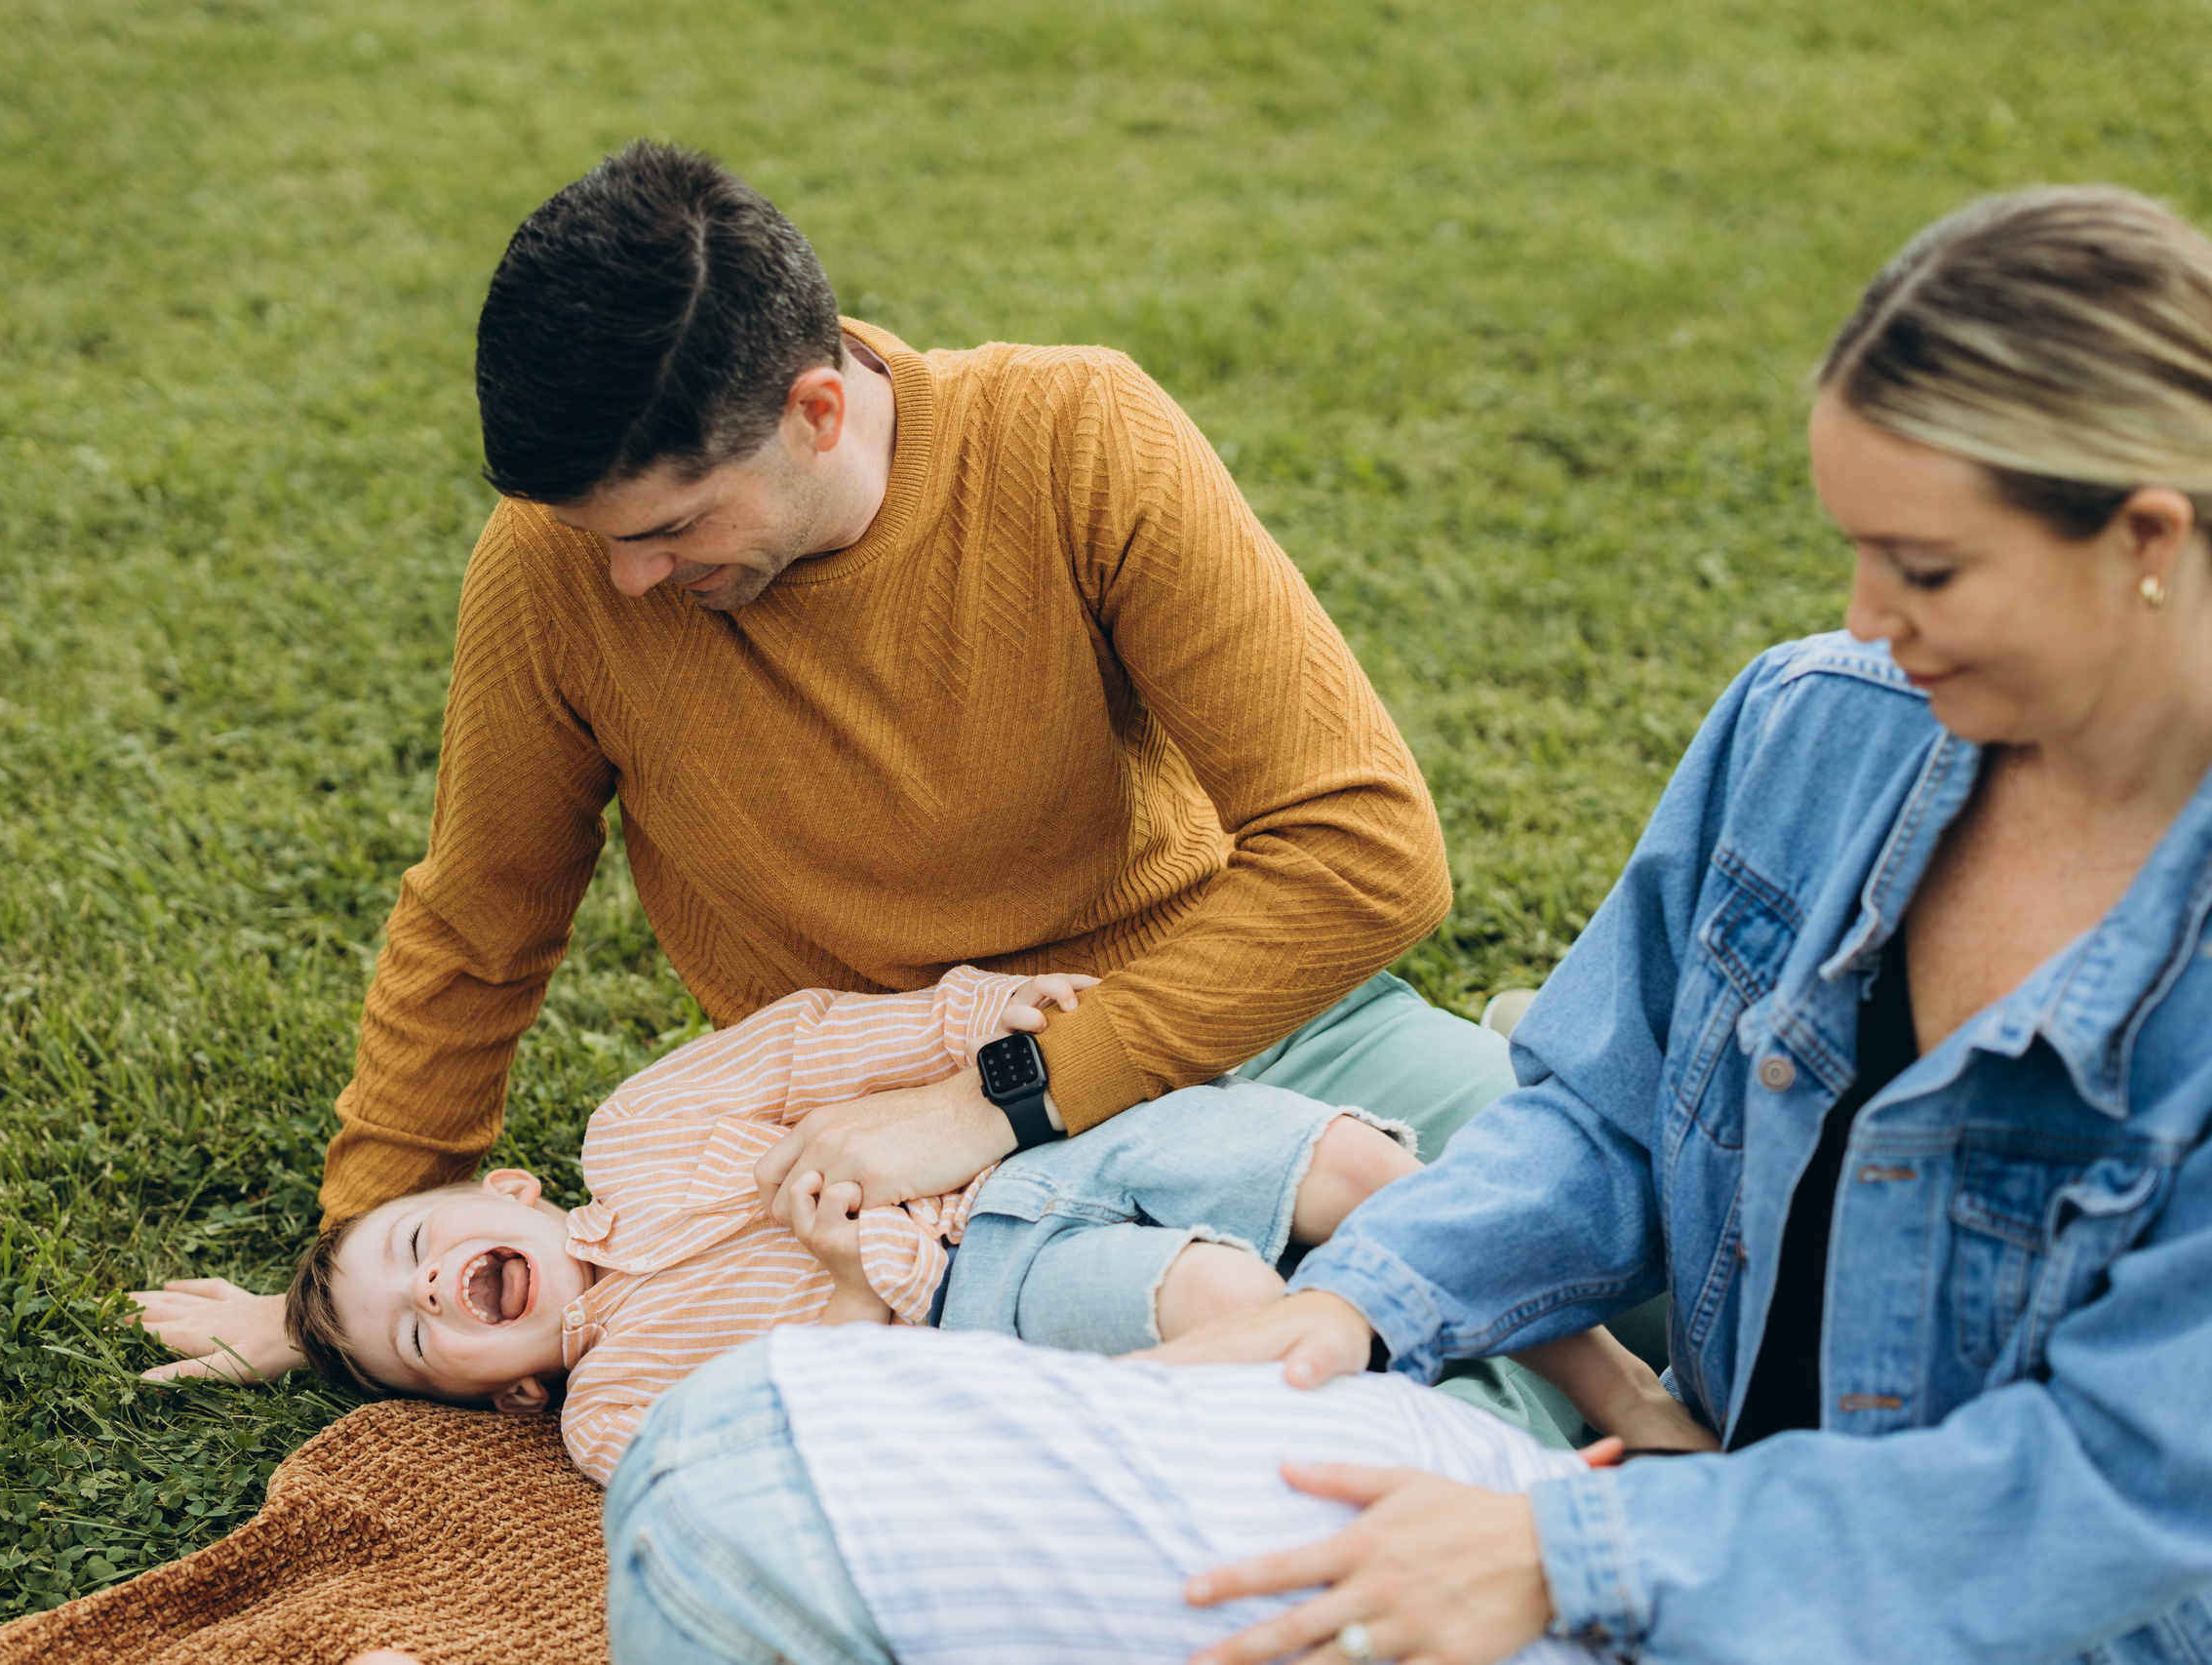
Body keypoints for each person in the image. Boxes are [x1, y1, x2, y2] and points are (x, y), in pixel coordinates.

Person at [605, 184, 2212, 1665]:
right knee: (721, 1462)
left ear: (2144, 543)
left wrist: (1570, 1551)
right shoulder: (1818, 728)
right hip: (1632, 1525)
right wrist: (1356, 1302)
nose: (1864, 616)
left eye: (1924, 566)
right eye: (1853, 550)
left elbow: (2114, 1502)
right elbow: (1598, 1119)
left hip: (1878, 1607)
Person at [129, 139, 1538, 1414]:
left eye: (673, 526)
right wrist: (348, 1288)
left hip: (1229, 1022)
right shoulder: (555, 570)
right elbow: (481, 917)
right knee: (1413, 1418)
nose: (628, 579)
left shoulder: (1074, 435)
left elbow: (1363, 848)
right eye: (594, 534)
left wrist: (994, 1093)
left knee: (1628, 1242)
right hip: (908, 1192)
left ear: (817, 409)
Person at [280, 967, 1702, 1483]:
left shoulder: (637, 1130)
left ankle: (1615, 1390)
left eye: (419, 1246)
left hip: (1047, 1141)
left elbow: (808, 1045)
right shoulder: (611, 1411)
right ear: (504, 1388)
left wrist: (982, 1020)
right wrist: (844, 1285)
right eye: (420, 1339)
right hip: (987, 1292)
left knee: (1345, 1164)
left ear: (505, 1192)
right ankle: (1527, 1483)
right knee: (1219, 1303)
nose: (434, 1291)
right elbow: (824, 1426)